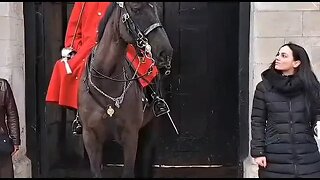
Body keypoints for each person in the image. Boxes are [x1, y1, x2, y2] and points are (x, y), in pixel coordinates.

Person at [46, 2, 169, 135]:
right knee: (69, 71)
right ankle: (79, 116)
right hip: (89, 47)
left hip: (121, 45)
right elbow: (74, 28)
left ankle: (155, 99)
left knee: (147, 67)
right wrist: (74, 47)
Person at [250, 42, 320, 178]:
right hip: (274, 156)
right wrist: (258, 152)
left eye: (283, 55)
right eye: (278, 54)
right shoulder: (264, 87)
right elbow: (257, 121)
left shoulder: (310, 87)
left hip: (307, 155)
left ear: (296, 63)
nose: (277, 58)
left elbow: (318, 112)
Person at [0, 78, 20, 178]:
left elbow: (12, 114)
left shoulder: (2, 86)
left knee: (5, 173)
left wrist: (15, 141)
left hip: (1, 140)